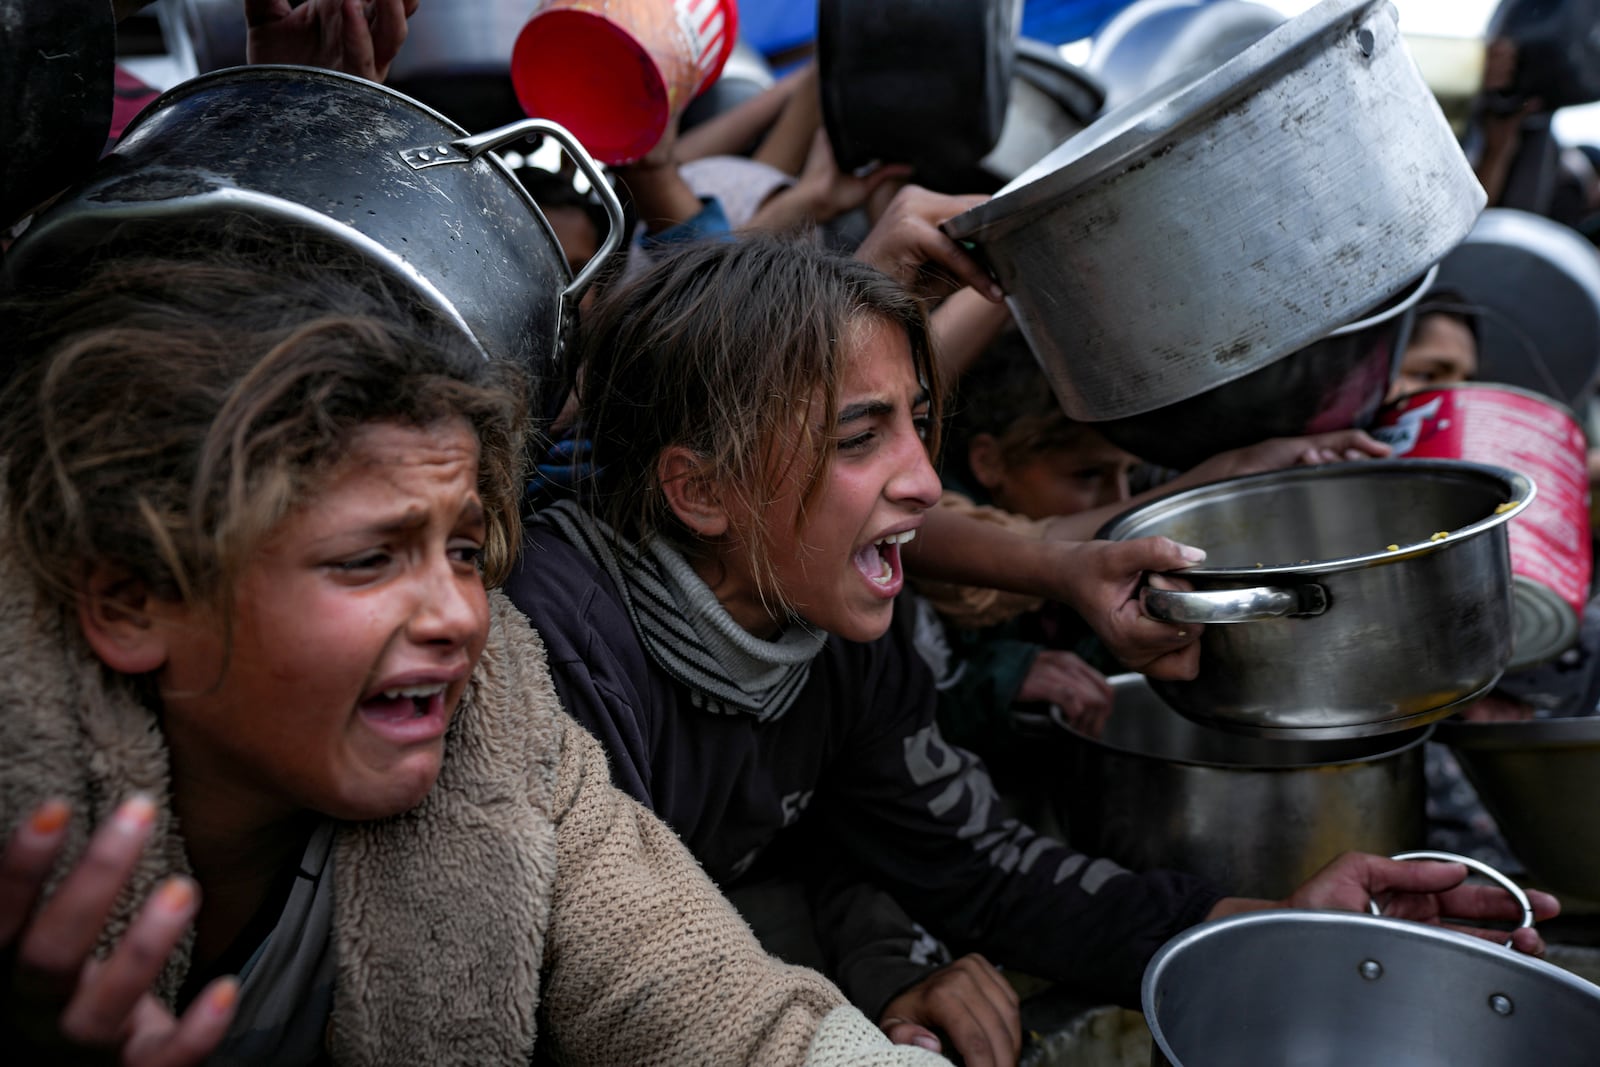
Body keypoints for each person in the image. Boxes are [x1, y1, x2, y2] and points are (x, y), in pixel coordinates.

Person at [505, 235, 1557, 1067]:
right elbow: (605, 984)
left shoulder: (838, 624)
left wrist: (1288, 924)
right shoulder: (557, 644)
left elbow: (989, 874)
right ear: (698, 490)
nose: (923, 481)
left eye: (918, 424)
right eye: (858, 437)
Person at [0, 233, 951, 1066]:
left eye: (462, 549)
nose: (461, 614)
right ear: (132, 602)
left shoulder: (505, 735)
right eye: (369, 558)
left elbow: (727, 1012)